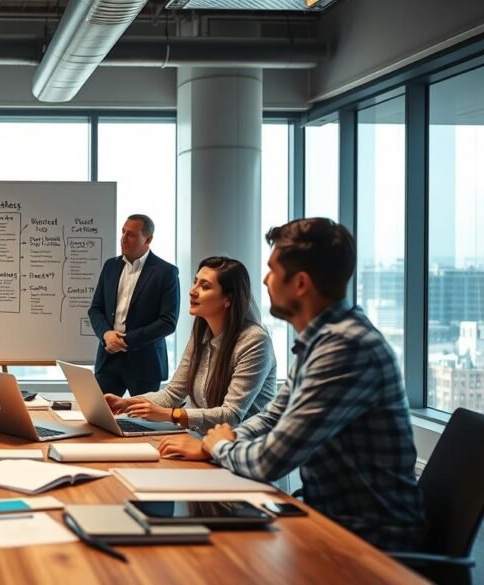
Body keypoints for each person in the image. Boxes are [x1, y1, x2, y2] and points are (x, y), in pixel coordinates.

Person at [159, 218, 425, 551]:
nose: (266, 280)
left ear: (300, 283)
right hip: (330, 522)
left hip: (371, 542)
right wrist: (218, 441)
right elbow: (273, 416)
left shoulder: (345, 347)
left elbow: (271, 460)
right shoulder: (318, 341)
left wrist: (216, 447)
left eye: (272, 270)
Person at [104, 256, 276, 433]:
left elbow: (231, 415)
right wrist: (126, 404)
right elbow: (172, 394)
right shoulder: (201, 334)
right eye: (195, 282)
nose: (192, 291)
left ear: (228, 299)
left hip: (244, 449)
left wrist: (172, 415)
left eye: (205, 286)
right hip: (206, 441)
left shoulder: (255, 341)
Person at [88, 214, 180, 396]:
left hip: (145, 361)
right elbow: (95, 309)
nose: (123, 238)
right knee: (98, 416)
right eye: (123, 232)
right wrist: (106, 334)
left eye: (131, 234)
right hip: (109, 358)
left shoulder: (165, 272)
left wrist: (125, 340)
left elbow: (168, 322)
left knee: (142, 422)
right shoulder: (110, 266)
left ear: (148, 239)